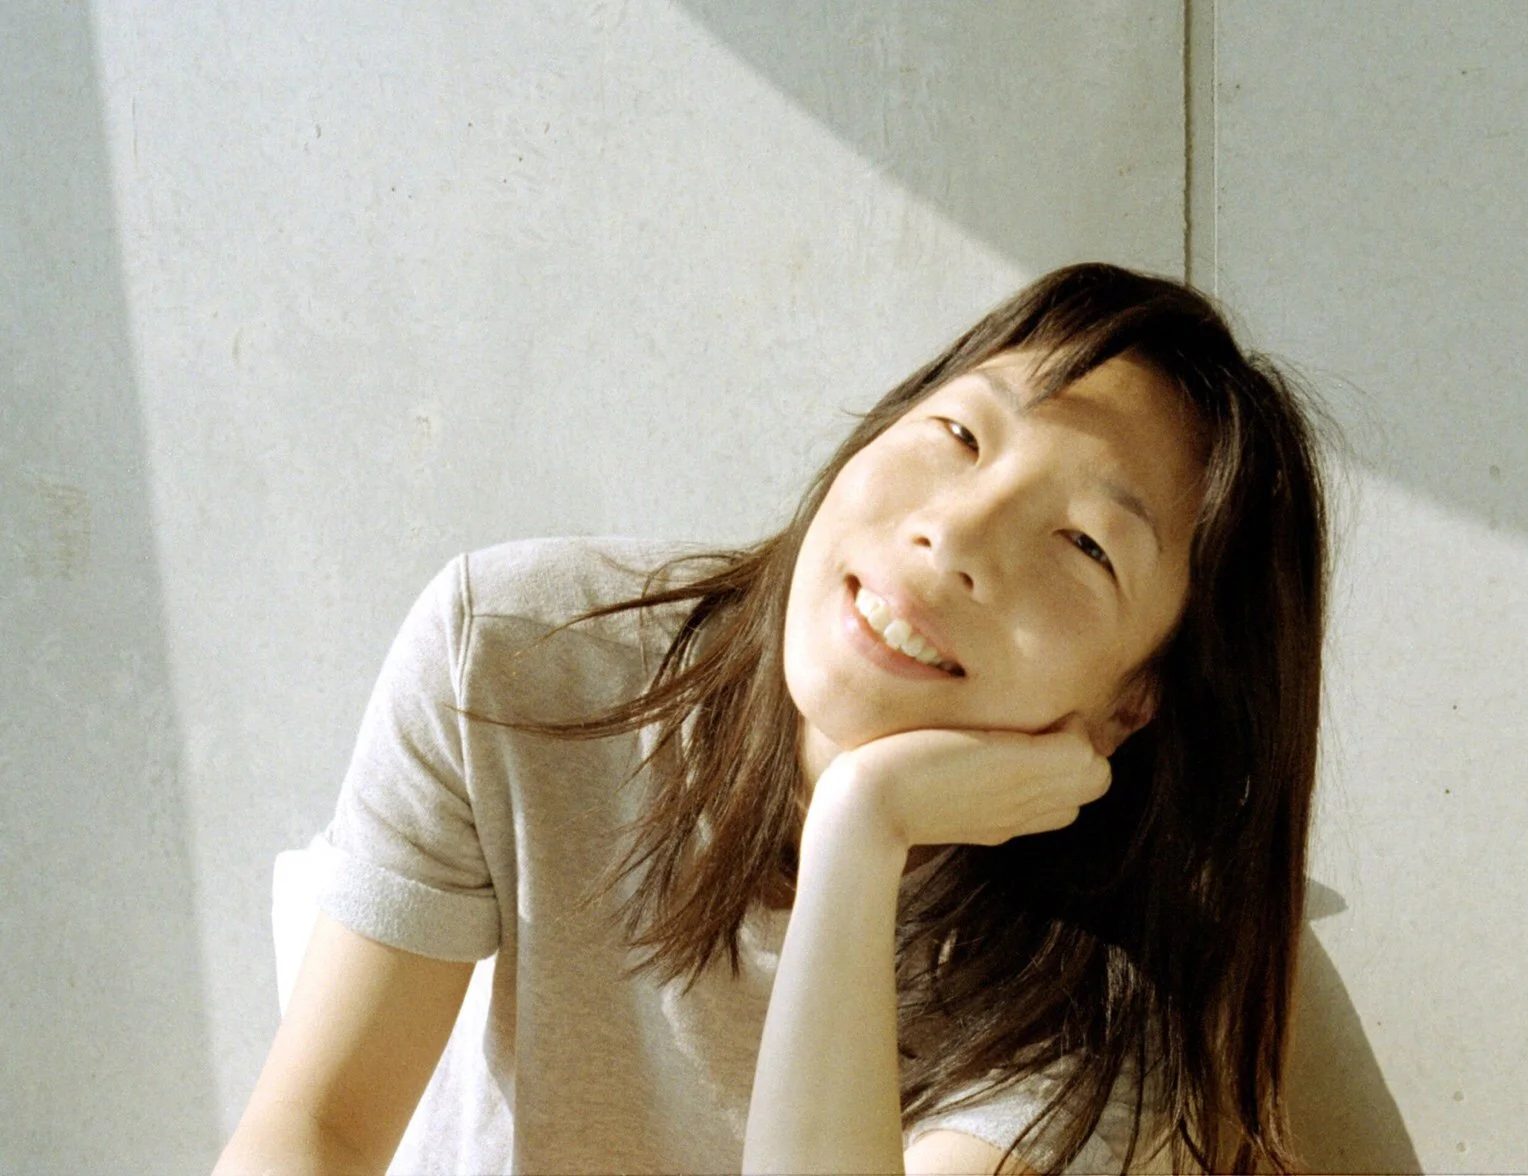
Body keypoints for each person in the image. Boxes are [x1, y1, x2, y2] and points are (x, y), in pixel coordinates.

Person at [213, 262, 1331, 1175]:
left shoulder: (1099, 1019)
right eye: (960, 435)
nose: (955, 535)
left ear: (1134, 701)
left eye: (1085, 544)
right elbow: (318, 1131)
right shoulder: (519, 651)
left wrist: (860, 832)